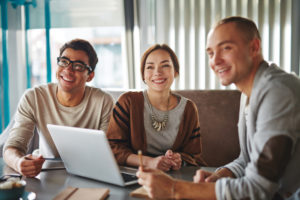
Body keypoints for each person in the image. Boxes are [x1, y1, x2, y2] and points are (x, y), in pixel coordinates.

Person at [137, 16, 300, 199]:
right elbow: (247, 160)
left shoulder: (278, 92)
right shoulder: (249, 92)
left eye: (226, 48)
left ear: (254, 47)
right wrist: (221, 175)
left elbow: (258, 188)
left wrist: (174, 189)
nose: (216, 61)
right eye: (211, 53)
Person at [3, 39, 114, 178]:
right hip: (45, 173)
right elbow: (12, 147)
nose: (68, 70)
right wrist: (19, 162)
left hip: (89, 174)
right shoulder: (34, 97)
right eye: (64, 61)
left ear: (90, 76)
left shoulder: (103, 101)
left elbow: (109, 151)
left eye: (78, 66)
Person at [106, 44, 205, 171]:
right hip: (136, 175)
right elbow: (112, 149)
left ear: (175, 71)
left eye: (165, 65)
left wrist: (179, 159)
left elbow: (194, 155)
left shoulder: (188, 108)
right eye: (150, 67)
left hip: (173, 178)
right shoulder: (128, 102)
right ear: (143, 75)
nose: (157, 72)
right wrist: (148, 162)